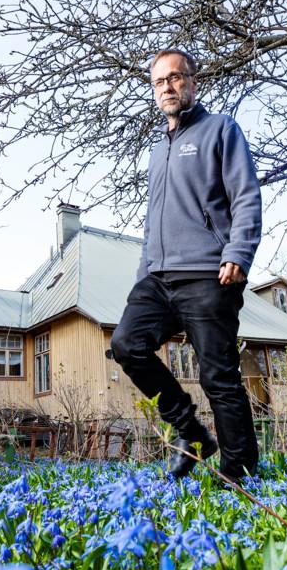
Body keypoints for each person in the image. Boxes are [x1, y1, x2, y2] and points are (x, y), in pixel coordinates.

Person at [110, 48, 263, 483]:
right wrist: (143, 275)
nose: (168, 87)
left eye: (176, 78)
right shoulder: (158, 151)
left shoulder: (220, 130)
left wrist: (238, 253)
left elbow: (246, 195)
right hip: (157, 278)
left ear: (193, 82)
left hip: (209, 273)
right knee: (126, 344)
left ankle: (240, 471)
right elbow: (152, 221)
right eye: (159, 82)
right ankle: (192, 432)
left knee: (219, 377)